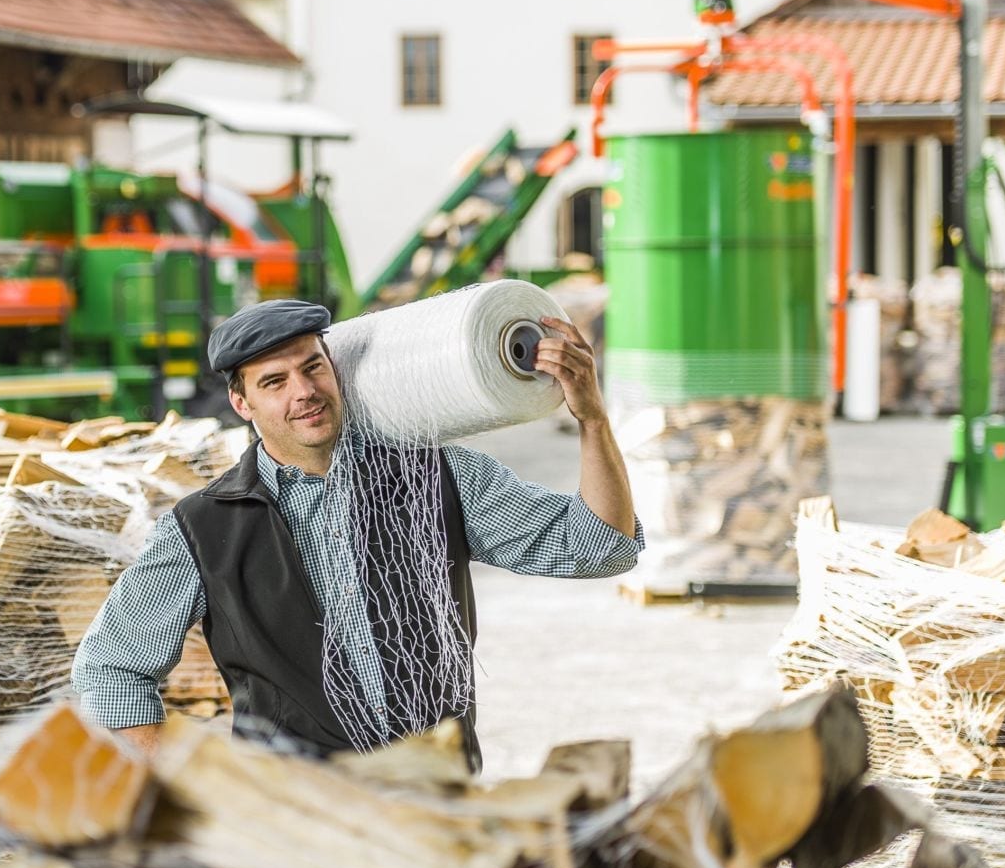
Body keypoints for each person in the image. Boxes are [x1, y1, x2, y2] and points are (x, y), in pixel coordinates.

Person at [71, 298, 642, 767]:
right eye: (275, 381)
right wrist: (193, 787)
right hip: (304, 825)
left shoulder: (436, 475)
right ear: (241, 403)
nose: (304, 391)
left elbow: (601, 546)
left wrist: (592, 419)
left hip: (439, 797)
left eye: (312, 366)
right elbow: (109, 671)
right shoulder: (202, 528)